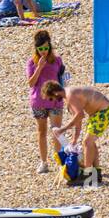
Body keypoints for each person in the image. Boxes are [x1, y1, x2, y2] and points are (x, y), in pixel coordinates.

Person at [45, 83, 109, 182]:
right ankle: (96, 173)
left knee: (87, 142)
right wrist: (74, 139)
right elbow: (78, 120)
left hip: (103, 111)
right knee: (89, 143)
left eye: (51, 98)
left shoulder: (70, 95)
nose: (54, 101)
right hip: (97, 113)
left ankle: (88, 175)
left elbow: (80, 115)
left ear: (55, 93)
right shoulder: (69, 95)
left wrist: (63, 129)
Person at [26, 30, 64, 173]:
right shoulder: (31, 62)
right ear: (36, 48)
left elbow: (64, 79)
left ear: (50, 46)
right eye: (40, 49)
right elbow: (31, 83)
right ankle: (43, 162)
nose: (43, 51)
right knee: (42, 132)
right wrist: (39, 67)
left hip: (55, 100)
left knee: (57, 132)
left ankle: (61, 163)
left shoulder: (57, 60)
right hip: (38, 101)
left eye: (46, 48)